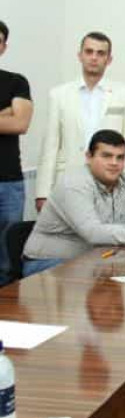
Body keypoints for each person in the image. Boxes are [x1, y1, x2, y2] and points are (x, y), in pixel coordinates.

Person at [23, 130, 125, 277]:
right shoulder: (74, 184)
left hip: (98, 259)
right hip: (49, 261)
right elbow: (94, 233)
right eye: (106, 156)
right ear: (89, 157)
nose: (114, 163)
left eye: (120, 157)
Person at [36, 32, 125, 212]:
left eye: (100, 53)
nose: (94, 58)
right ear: (80, 55)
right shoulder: (58, 95)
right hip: (68, 181)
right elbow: (50, 146)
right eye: (89, 52)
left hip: (110, 184)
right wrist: (42, 193)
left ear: (109, 59)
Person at [0, 20, 34, 285]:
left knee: (7, 259)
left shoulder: (16, 81)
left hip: (9, 182)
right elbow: (11, 120)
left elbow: (21, 123)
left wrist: (14, 116)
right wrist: (6, 113)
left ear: (4, 47)